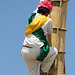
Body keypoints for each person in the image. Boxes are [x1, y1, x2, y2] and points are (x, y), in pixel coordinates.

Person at [21, 0, 58, 75]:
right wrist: (48, 18)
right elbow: (50, 31)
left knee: (32, 72)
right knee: (54, 51)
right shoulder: (47, 20)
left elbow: (39, 5)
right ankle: (44, 71)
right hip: (36, 51)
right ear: (47, 12)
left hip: (25, 51)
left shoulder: (32, 15)